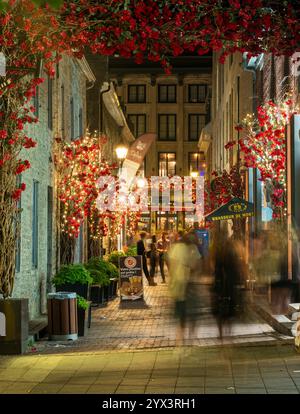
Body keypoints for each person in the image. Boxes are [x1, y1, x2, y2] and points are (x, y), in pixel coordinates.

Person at [168, 232, 201, 347]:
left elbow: (171, 265)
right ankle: (190, 342)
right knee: (192, 315)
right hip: (189, 285)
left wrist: (172, 281)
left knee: (181, 317)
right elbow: (197, 266)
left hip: (179, 286)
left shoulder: (176, 248)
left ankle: (179, 344)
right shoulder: (194, 248)